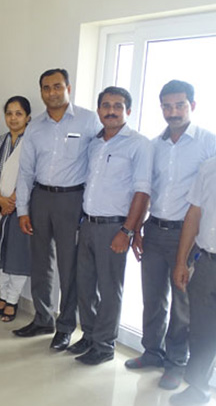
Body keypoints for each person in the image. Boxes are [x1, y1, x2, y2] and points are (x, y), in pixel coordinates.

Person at [126, 80, 216, 389]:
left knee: (182, 304)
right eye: (167, 106)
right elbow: (146, 188)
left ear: (193, 105)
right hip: (155, 229)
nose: (173, 111)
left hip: (187, 235)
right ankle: (152, 352)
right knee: (153, 298)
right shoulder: (154, 145)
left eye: (180, 105)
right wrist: (137, 228)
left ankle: (176, 363)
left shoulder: (208, 143)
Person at [13, 68, 101, 350]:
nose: (52, 92)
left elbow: (98, 165)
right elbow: (25, 171)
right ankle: (42, 318)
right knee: (40, 263)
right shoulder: (35, 126)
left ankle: (65, 326)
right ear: (41, 91)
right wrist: (22, 210)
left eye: (57, 86)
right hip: (40, 197)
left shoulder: (89, 121)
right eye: (46, 87)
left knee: (69, 266)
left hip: (72, 200)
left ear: (68, 88)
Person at [70, 87, 152, 365]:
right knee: (85, 285)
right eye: (106, 105)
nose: (111, 110)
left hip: (114, 228)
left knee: (109, 288)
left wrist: (127, 231)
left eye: (118, 106)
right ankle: (90, 335)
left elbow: (142, 192)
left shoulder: (138, 144)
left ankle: (104, 345)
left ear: (128, 111)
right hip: (89, 224)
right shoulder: (95, 143)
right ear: (99, 110)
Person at [170, 157, 216, 406]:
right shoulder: (210, 166)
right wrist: (181, 262)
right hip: (207, 262)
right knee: (201, 330)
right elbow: (194, 213)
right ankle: (198, 388)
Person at [0, 96, 32, 322]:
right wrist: (0, 199)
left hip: (22, 208)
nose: (13, 118)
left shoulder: (32, 143)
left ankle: (12, 299)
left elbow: (31, 176)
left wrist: (12, 200)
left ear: (28, 117)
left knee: (18, 254)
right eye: (9, 113)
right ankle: (2, 294)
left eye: (18, 113)